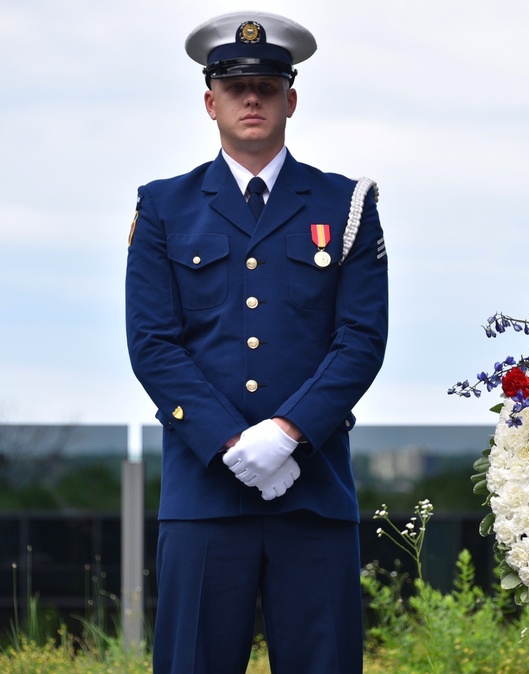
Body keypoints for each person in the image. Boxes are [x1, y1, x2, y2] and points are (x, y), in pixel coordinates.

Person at [125, 11, 388, 673]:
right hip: (204, 496)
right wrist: (230, 440)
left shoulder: (345, 205)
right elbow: (153, 343)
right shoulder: (163, 207)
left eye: (267, 86)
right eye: (236, 86)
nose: (252, 98)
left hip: (314, 490)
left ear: (290, 99)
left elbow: (360, 339)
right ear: (209, 101)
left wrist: (288, 432)